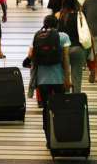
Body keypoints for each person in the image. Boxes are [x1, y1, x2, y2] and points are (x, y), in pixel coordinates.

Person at [27, 15, 71, 147]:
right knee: (60, 108)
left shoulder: (37, 35)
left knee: (46, 109)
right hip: (58, 79)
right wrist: (67, 79)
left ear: (44, 24)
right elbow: (66, 59)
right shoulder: (63, 37)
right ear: (57, 24)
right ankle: (60, 136)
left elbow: (30, 55)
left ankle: (48, 140)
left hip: (42, 80)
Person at [57, 0, 86, 93]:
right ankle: (76, 99)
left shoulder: (58, 15)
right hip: (77, 48)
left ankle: (65, 99)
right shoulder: (80, 16)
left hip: (63, 50)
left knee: (64, 75)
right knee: (76, 77)